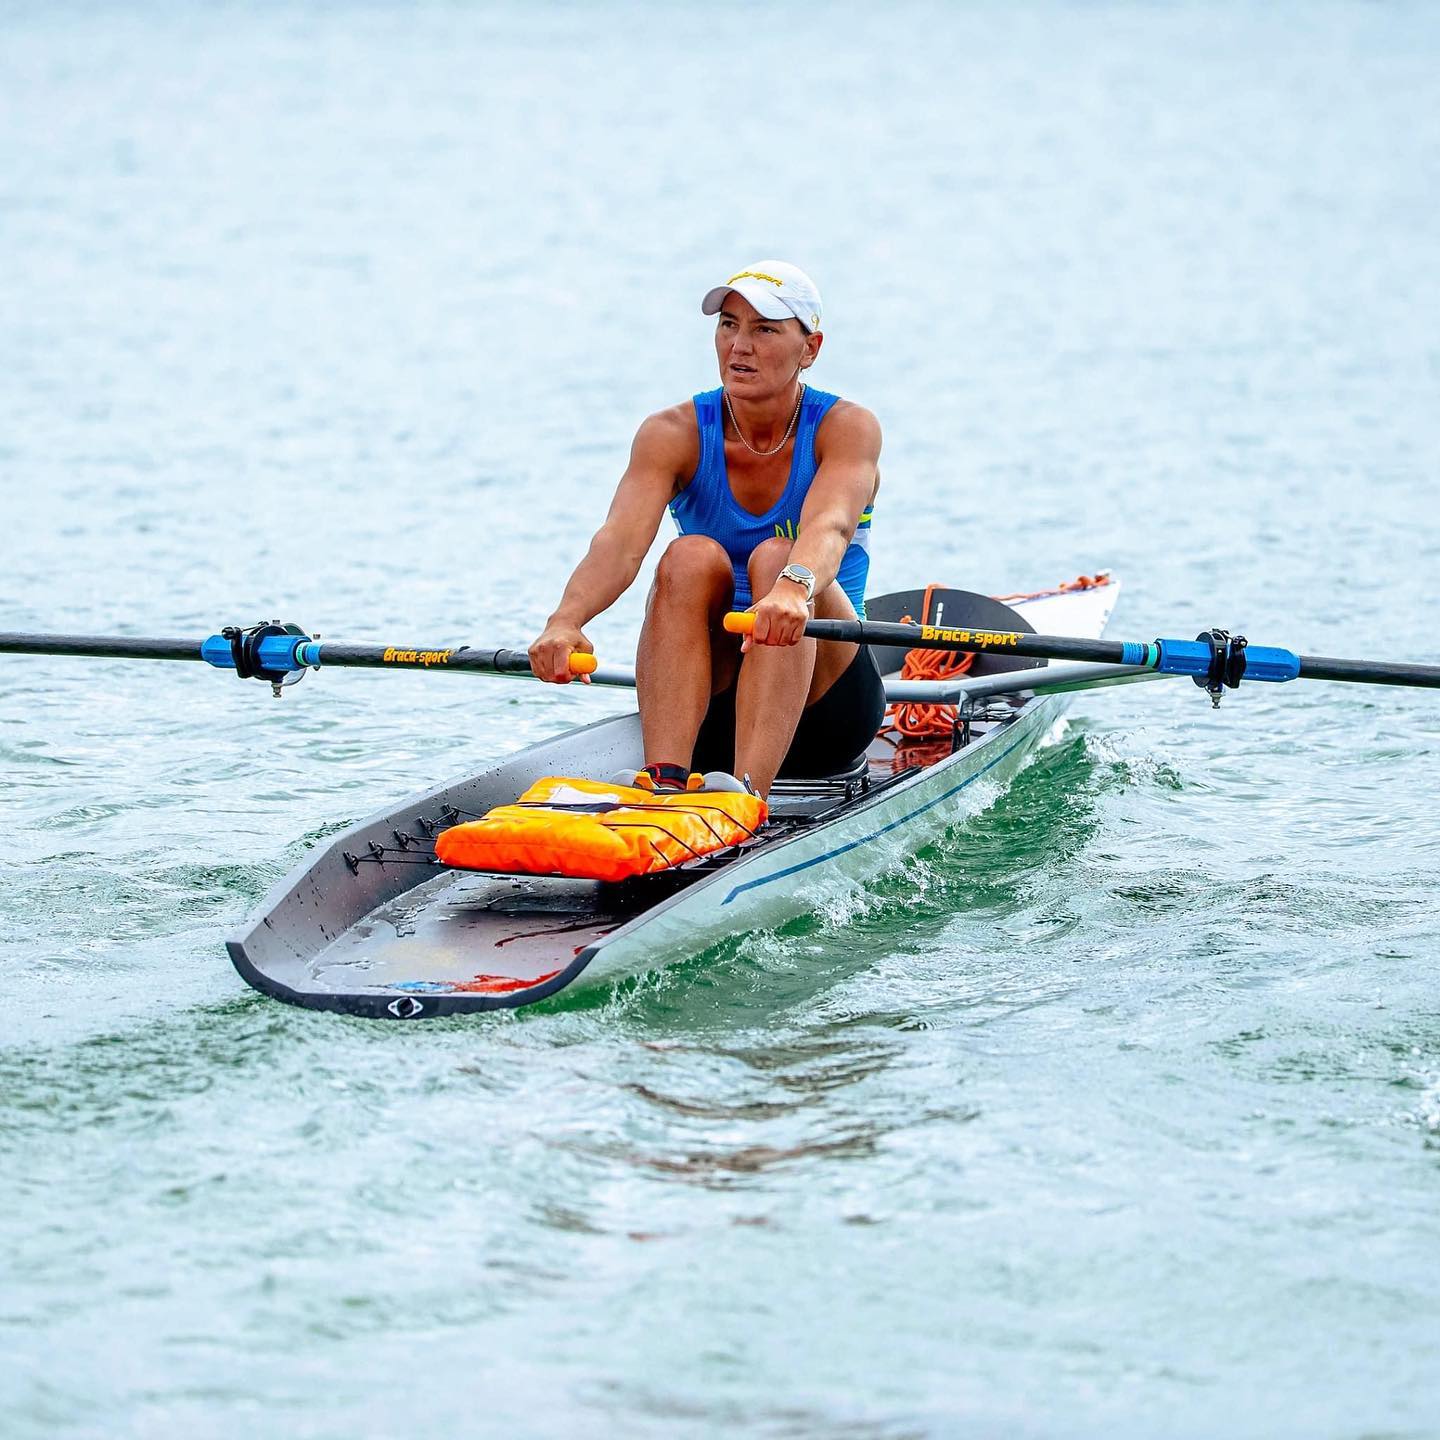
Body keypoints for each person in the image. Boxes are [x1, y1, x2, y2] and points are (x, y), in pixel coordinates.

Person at [528, 261, 884, 799]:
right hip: (714, 707)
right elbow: (619, 544)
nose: (740, 346)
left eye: (765, 329)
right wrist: (565, 621)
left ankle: (747, 796)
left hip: (825, 704)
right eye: (728, 325)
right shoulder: (672, 433)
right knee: (688, 555)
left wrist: (792, 588)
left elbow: (831, 526)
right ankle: (666, 782)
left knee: (775, 557)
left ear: (810, 349)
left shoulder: (847, 428)